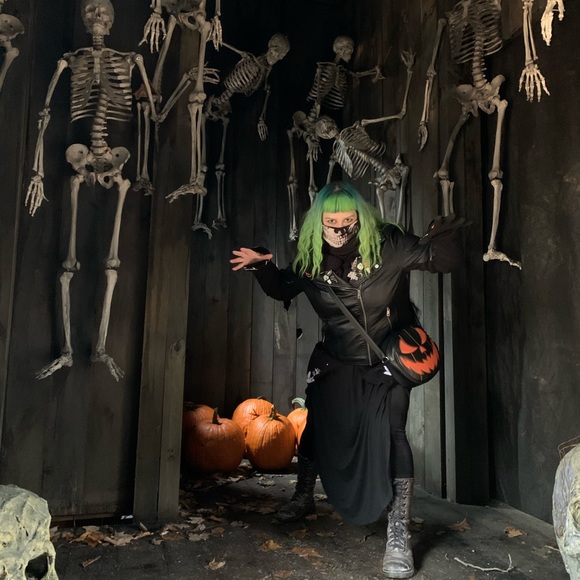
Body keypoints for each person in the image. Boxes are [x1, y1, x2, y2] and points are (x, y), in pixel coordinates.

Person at [230, 181, 466, 579]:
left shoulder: (388, 245)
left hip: (385, 361)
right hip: (337, 360)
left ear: (361, 218)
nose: (340, 228)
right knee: (316, 426)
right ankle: (304, 494)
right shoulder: (310, 257)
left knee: (393, 433)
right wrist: (261, 266)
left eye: (347, 220)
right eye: (331, 221)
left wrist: (444, 235)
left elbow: (438, 259)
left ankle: (398, 532)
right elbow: (282, 287)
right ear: (318, 221)